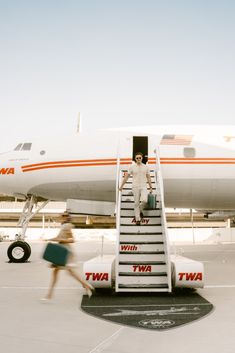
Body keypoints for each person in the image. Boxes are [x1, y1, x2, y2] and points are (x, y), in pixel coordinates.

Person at [41, 212, 94, 301]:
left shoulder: (67, 226)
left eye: (62, 216)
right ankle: (86, 286)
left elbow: (72, 240)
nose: (60, 217)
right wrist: (49, 239)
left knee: (67, 272)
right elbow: (58, 237)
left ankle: (86, 285)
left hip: (64, 252)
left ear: (65, 217)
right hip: (61, 251)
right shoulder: (64, 226)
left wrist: (61, 240)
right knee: (63, 272)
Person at [119, 152, 153, 225]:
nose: (138, 159)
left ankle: (140, 210)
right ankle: (138, 219)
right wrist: (121, 186)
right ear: (135, 159)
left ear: (142, 158)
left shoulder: (146, 167)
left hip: (143, 186)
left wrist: (150, 187)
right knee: (136, 203)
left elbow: (148, 177)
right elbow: (126, 177)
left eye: (140, 158)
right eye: (137, 158)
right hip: (135, 187)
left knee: (144, 200)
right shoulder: (131, 167)